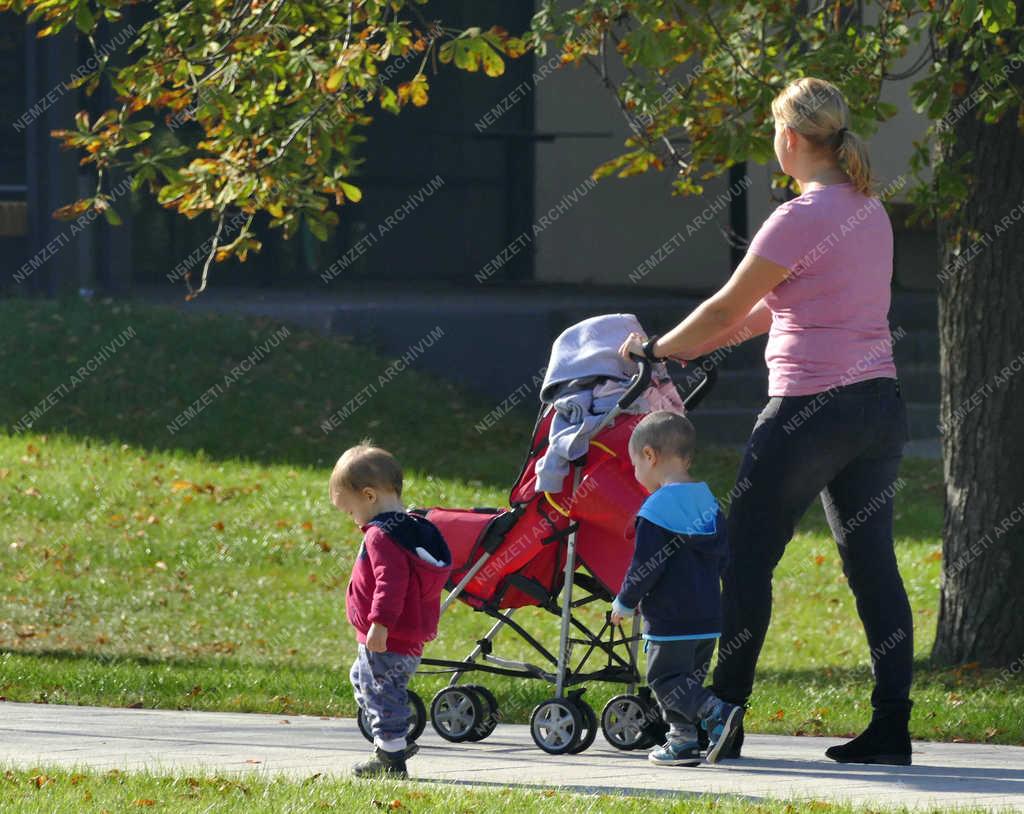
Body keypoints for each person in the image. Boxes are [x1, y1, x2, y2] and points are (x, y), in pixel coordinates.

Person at [619, 76, 913, 766]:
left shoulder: (798, 217)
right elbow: (760, 314)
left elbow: (726, 308)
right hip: (878, 409)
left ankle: (723, 712)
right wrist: (687, 349)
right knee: (873, 567)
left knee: (745, 560)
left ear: (789, 137)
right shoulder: (869, 211)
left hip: (809, 411)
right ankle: (891, 726)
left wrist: (656, 349)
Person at [609, 411, 742, 766]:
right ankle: (682, 742)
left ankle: (716, 711)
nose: (637, 473)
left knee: (665, 678)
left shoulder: (656, 509)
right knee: (688, 681)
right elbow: (724, 557)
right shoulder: (708, 502)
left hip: (671, 617)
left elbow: (645, 566)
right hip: (707, 617)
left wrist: (624, 602)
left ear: (649, 456)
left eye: (635, 464)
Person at [330, 442, 452, 778]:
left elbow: (391, 583)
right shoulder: (414, 528)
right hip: (407, 632)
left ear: (369, 496)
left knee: (380, 690)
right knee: (368, 682)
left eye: (350, 511)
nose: (353, 521)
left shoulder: (381, 536)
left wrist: (380, 623)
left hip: (389, 634)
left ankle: (391, 756)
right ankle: (392, 731)